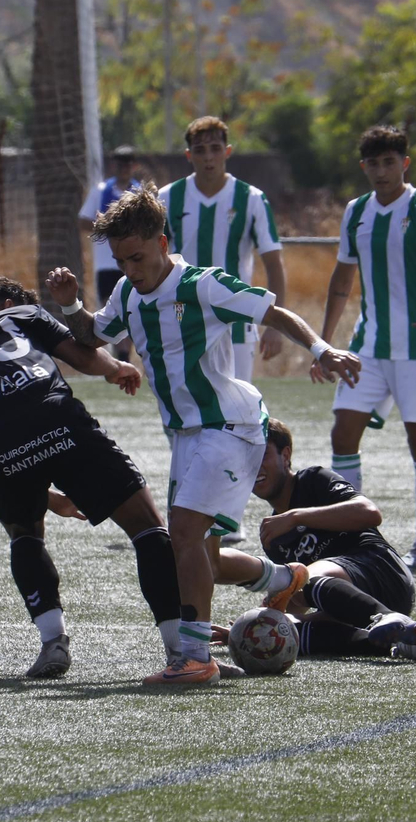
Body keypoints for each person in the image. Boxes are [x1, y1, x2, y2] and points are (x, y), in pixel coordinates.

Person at [46, 182, 361, 685]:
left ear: (163, 243)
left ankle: (194, 658)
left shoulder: (201, 285)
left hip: (229, 425)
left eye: (139, 257)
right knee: (201, 559)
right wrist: (68, 306)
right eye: (123, 260)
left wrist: (324, 350)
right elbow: (94, 336)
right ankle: (286, 578)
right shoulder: (128, 292)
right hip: (187, 435)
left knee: (184, 534)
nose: (131, 269)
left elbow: (273, 312)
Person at [0, 275, 187, 678]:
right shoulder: (22, 313)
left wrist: (46, 496)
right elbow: (84, 357)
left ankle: (52, 643)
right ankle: (180, 651)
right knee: (146, 528)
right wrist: (116, 367)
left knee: (25, 535)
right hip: (54, 417)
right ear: (7, 303)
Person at [314, 125, 416, 572]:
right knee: (343, 434)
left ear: (405, 163)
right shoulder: (356, 211)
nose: (382, 171)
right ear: (364, 167)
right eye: (373, 163)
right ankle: (352, 539)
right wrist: (324, 343)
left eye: (390, 162)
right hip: (367, 347)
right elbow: (343, 279)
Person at [213, 419, 416, 661]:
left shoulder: (312, 480)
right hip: (351, 603)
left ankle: (385, 617)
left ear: (285, 455)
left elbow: (370, 513)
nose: (254, 466)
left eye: (262, 455)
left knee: (300, 578)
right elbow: (293, 603)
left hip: (382, 571)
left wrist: (295, 517)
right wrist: (251, 629)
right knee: (287, 632)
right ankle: (401, 644)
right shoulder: (273, 536)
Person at [161, 116, 287, 384]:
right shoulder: (168, 197)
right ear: (188, 155)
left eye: (215, 149)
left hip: (237, 320)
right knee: (185, 405)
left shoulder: (251, 198)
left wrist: (276, 326)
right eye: (200, 150)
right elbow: (151, 260)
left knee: (239, 408)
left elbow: (274, 264)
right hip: (182, 317)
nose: (208, 157)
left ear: (227, 151)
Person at [78, 145, 141, 305]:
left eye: (127, 165)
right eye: (120, 165)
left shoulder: (141, 194)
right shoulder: (100, 191)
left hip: (135, 262)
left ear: (134, 166)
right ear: (113, 166)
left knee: (134, 305)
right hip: (106, 263)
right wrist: (109, 227)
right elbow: (83, 221)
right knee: (109, 306)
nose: (124, 169)